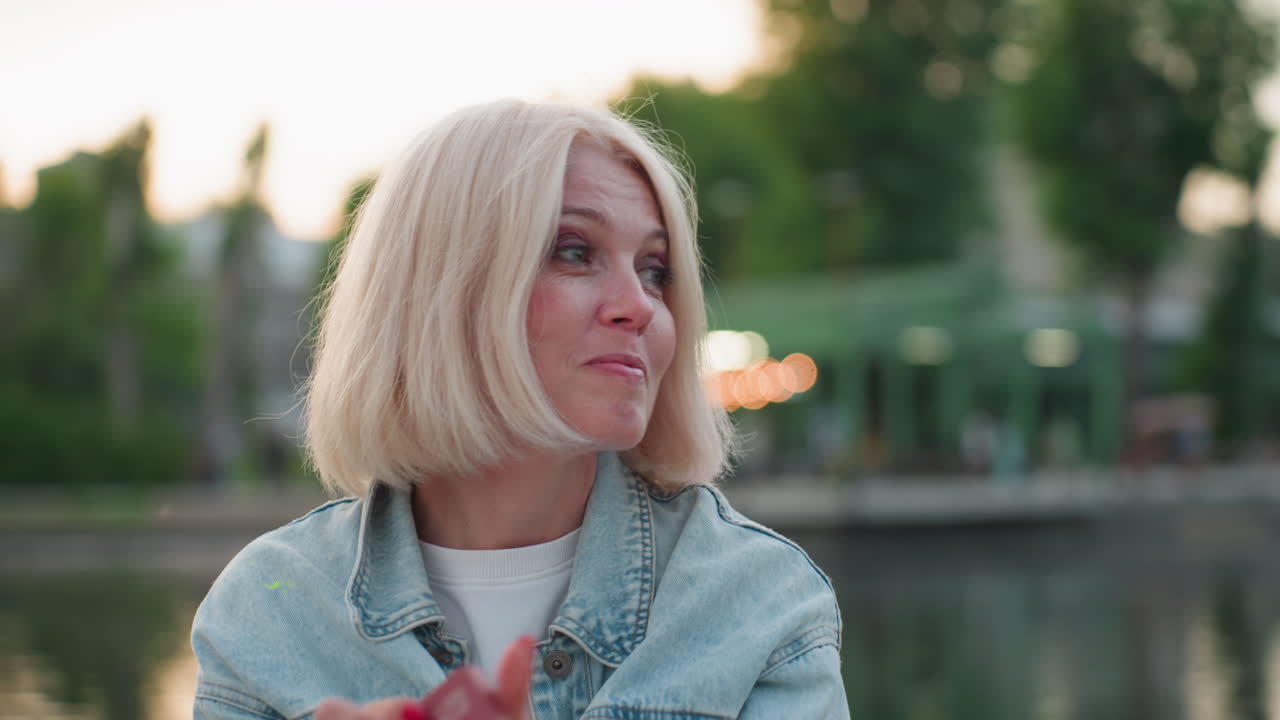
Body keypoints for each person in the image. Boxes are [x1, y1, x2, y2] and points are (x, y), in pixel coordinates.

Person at [191, 99, 849, 719]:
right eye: (575, 252)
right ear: (442, 291)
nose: (639, 305)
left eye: (654, 269)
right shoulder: (271, 607)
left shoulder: (760, 600)